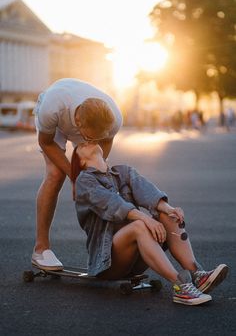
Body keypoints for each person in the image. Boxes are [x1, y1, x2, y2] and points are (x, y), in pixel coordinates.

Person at [71, 142, 228, 306]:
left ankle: (198, 275)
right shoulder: (84, 181)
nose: (88, 142)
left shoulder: (123, 171)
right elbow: (113, 205)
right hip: (109, 263)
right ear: (81, 161)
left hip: (138, 257)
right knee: (139, 226)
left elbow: (147, 192)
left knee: (169, 216)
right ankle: (180, 286)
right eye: (82, 145)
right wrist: (146, 219)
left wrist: (169, 209)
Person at [32, 78, 123, 270]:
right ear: (78, 124)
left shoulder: (113, 118)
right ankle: (41, 249)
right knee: (55, 175)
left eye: (95, 138)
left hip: (88, 121)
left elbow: (103, 144)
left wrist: (90, 177)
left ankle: (106, 247)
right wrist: (74, 176)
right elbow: (45, 143)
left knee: (97, 183)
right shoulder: (51, 108)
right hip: (55, 123)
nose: (90, 141)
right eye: (88, 137)